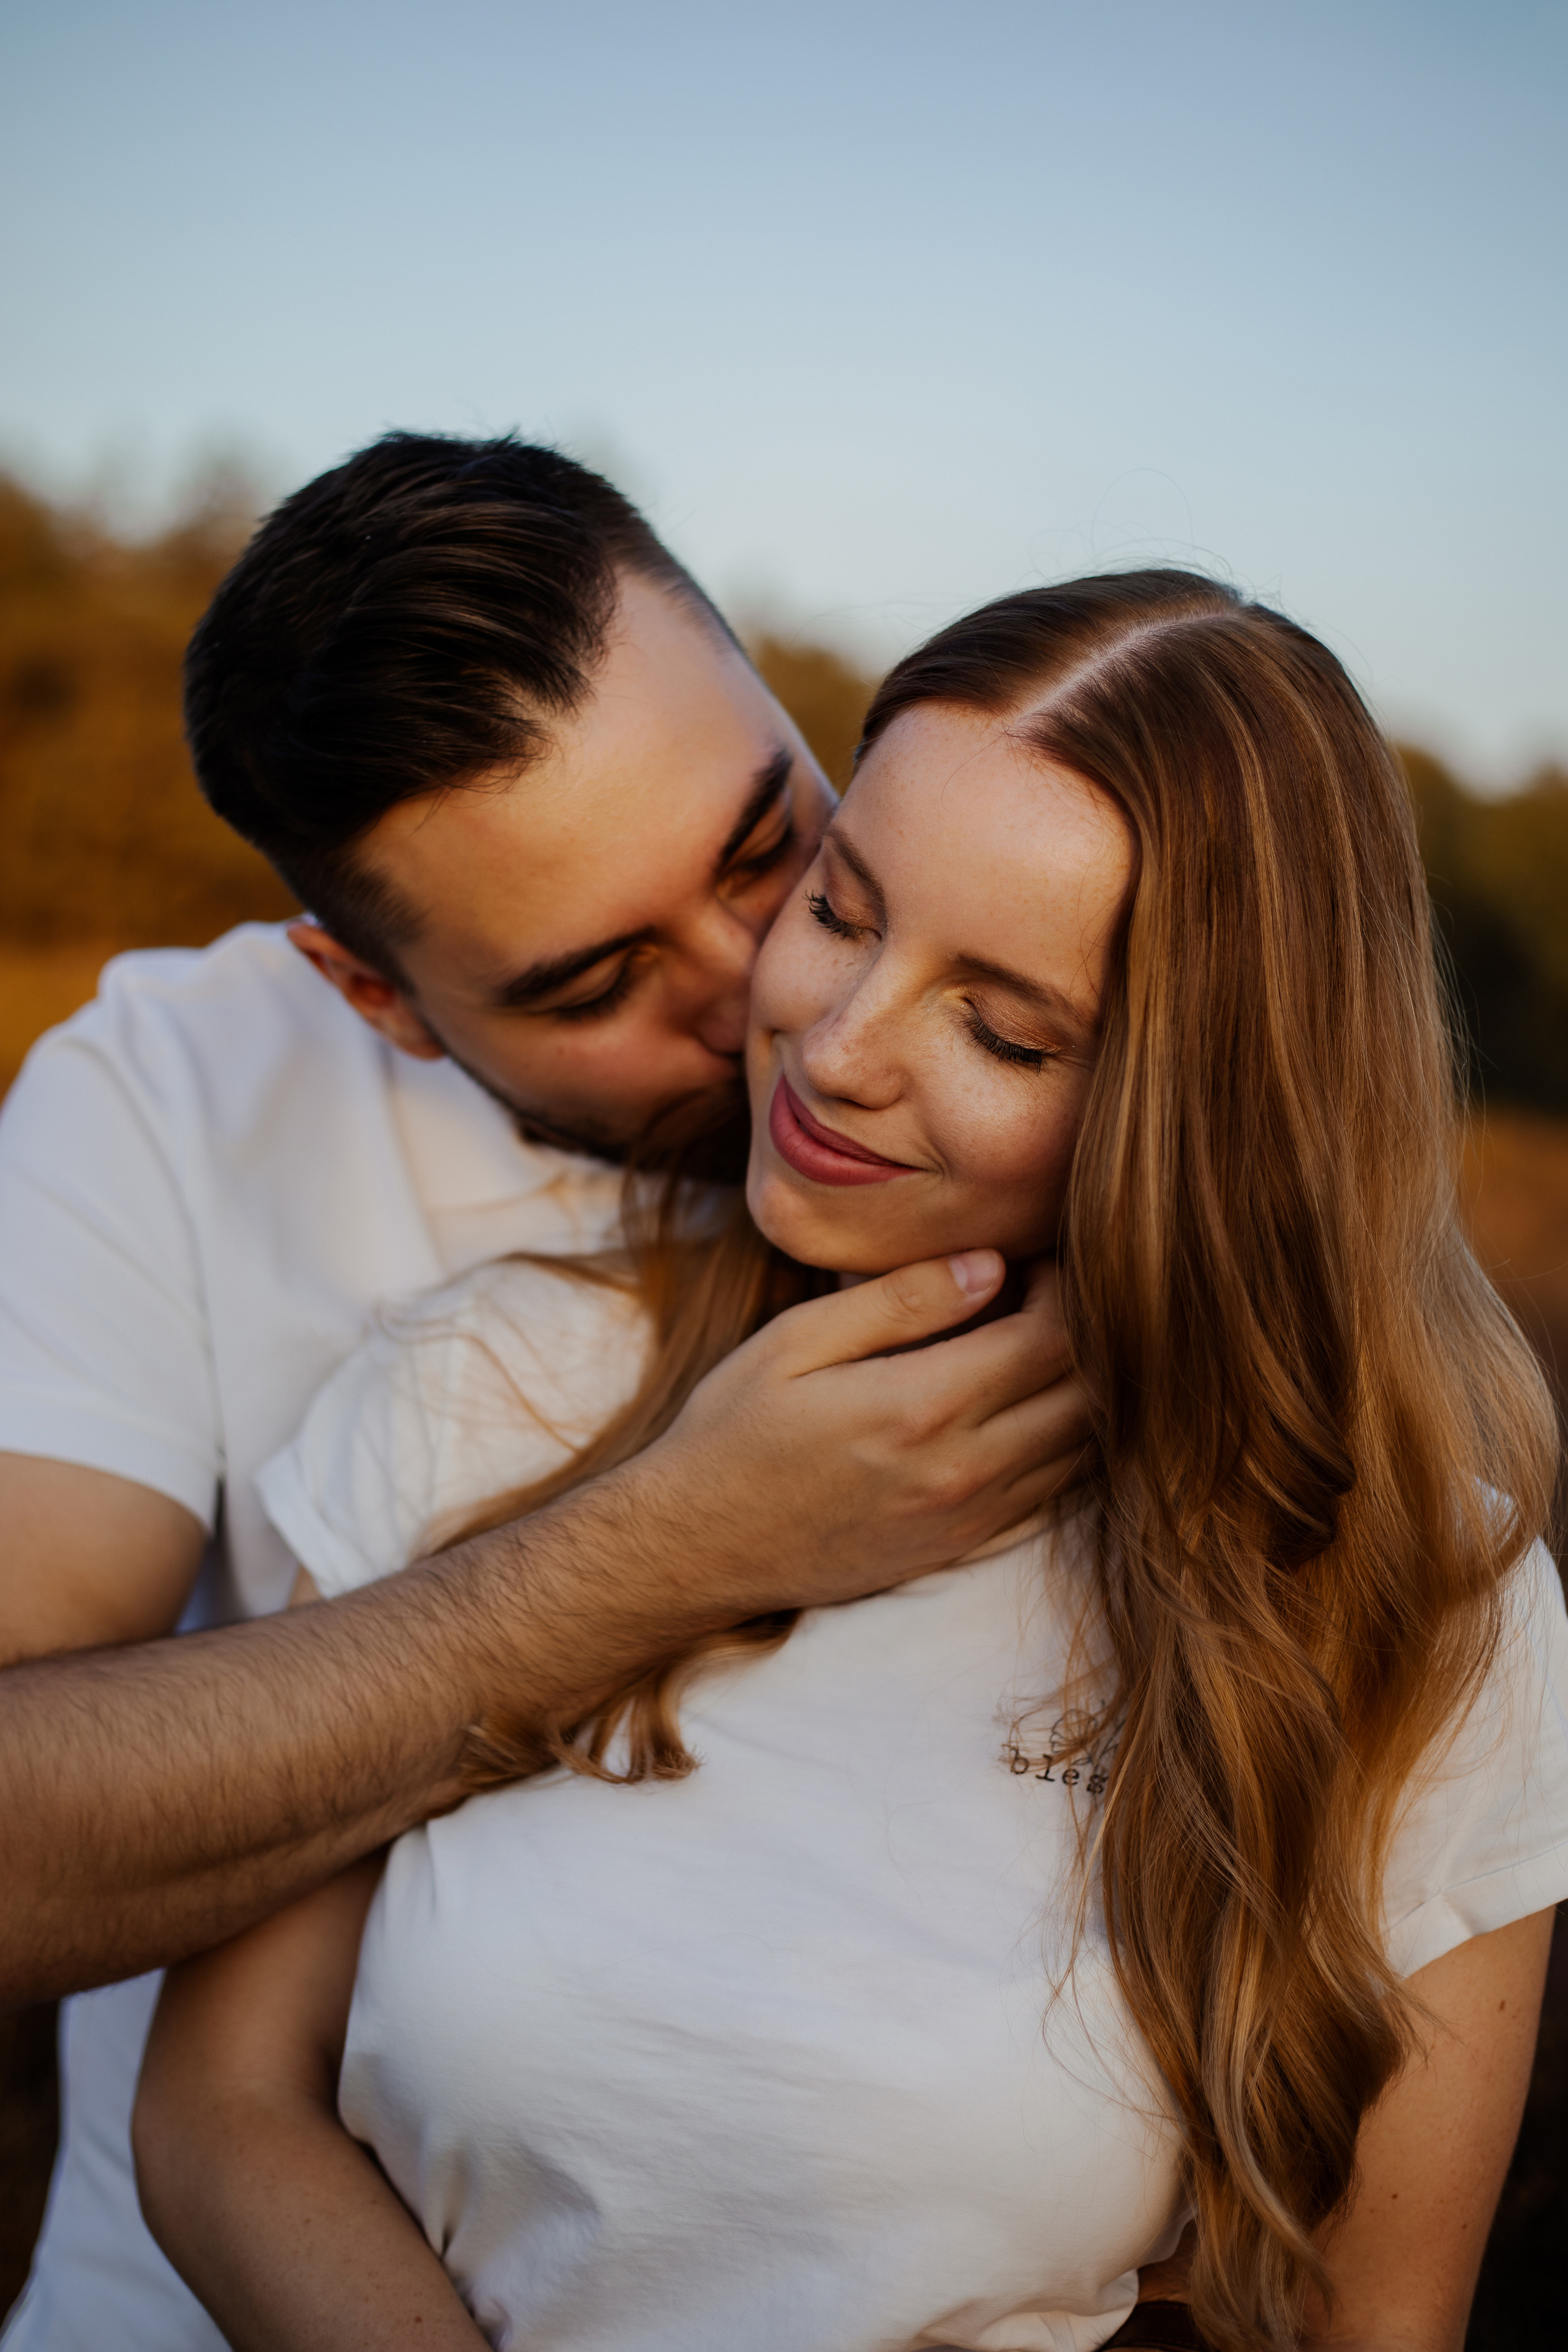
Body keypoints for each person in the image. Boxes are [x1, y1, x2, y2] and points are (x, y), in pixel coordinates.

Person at [134, 571, 1568, 2352]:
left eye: (1007, 1027)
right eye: (842, 905)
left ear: (1201, 1118)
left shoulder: (1425, 1592)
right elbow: (219, 2113)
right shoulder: (488, 1383)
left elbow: (1379, 2322)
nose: (833, 1043)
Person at [0, 435, 1088, 2352]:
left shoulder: (1048, 1094)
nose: (783, 1000)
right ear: (379, 997)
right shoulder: (166, 1103)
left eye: (772, 848)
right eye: (596, 982)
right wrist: (658, 1554)